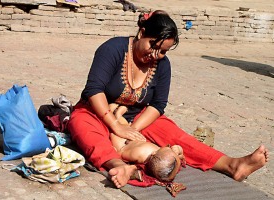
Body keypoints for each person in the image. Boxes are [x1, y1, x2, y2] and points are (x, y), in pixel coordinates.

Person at [67, 10, 269, 189]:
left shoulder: (163, 65)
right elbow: (94, 90)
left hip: (138, 117)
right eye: (152, 46)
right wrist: (116, 126)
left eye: (163, 51)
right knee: (84, 129)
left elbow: (158, 105)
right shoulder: (113, 49)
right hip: (96, 113)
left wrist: (133, 130)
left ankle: (231, 165)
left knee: (176, 136)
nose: (155, 55)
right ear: (141, 33)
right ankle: (119, 167)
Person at [109, 103, 185, 182]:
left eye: (169, 148)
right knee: (124, 124)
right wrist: (179, 149)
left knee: (120, 124)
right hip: (132, 137)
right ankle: (116, 113)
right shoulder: (158, 154)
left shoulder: (139, 154)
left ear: (154, 153)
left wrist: (116, 149)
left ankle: (115, 113)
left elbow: (121, 153)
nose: (170, 147)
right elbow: (171, 155)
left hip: (122, 142)